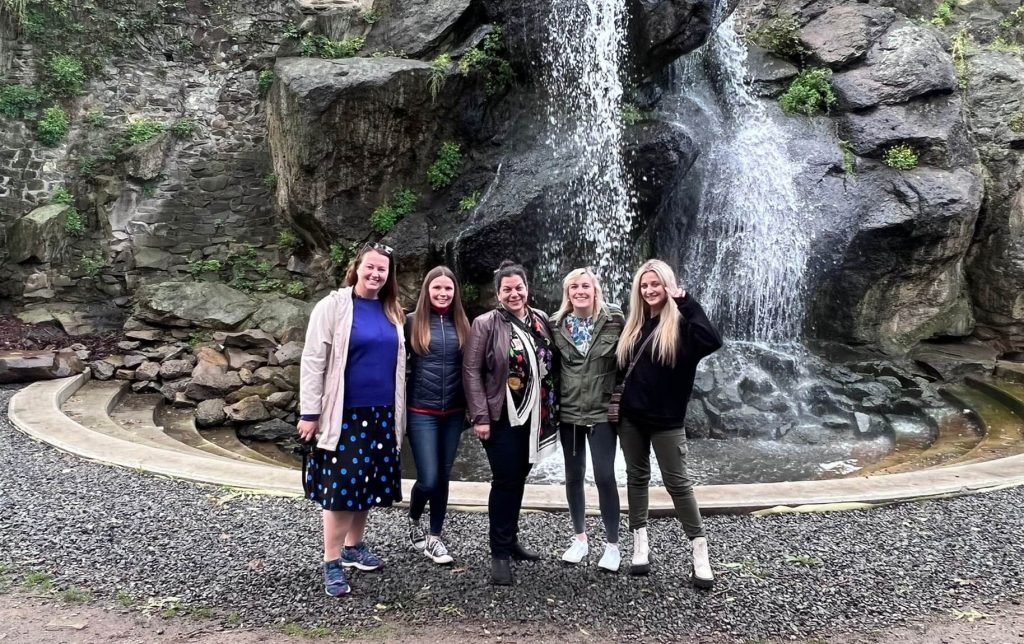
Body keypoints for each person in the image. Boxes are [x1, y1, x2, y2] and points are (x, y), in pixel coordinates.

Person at [298, 242, 406, 597]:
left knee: (368, 486)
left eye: (382, 270)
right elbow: (314, 360)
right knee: (342, 492)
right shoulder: (333, 307)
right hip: (343, 414)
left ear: (389, 276)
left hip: (382, 414)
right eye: (370, 267)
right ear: (357, 267)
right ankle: (331, 563)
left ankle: (354, 548)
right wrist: (310, 413)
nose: (375, 274)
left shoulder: (393, 311)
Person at [615, 259, 722, 588]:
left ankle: (699, 551)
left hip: (667, 421)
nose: (649, 290)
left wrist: (683, 299)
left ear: (667, 286)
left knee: (679, 484)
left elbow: (712, 339)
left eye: (655, 284)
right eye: (644, 286)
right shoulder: (633, 325)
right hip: (631, 419)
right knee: (637, 478)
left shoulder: (683, 329)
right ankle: (640, 543)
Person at [463, 260, 559, 586]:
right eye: (508, 289)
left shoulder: (542, 320)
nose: (514, 293)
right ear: (498, 293)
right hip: (502, 417)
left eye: (519, 287)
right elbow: (472, 371)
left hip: (536, 417)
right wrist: (480, 417)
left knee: (518, 479)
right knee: (505, 480)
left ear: (527, 289)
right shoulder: (486, 324)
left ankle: (511, 539)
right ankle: (499, 553)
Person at [548, 268, 624, 571]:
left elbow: (628, 358)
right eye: (574, 287)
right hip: (570, 414)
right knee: (574, 475)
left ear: (596, 289)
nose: (580, 291)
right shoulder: (556, 324)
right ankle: (580, 538)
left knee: (605, 476)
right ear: (568, 292)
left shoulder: (614, 318)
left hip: (602, 412)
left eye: (586, 286)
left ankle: (613, 545)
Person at [404, 266, 472, 565]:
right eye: (437, 289)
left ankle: (435, 537)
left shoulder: (463, 326)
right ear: (427, 291)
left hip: (454, 412)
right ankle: (414, 518)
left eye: (448, 289)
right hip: (421, 411)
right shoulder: (410, 323)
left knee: (443, 477)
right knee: (428, 479)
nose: (443, 294)